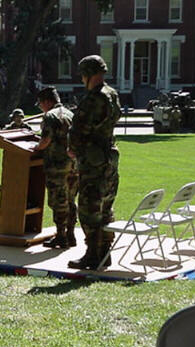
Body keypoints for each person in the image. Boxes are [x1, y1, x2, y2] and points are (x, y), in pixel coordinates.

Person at [67, 55, 121, 270]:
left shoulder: (93, 99)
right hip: (109, 157)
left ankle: (93, 255)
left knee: (89, 208)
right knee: (106, 207)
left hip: (93, 160)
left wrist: (73, 149)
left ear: (88, 74)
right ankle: (105, 252)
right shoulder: (112, 94)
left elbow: (80, 129)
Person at [34, 87, 78, 248]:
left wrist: (37, 148)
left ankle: (61, 236)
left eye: (40, 104)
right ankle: (71, 235)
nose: (40, 107)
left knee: (58, 202)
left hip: (57, 166)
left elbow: (45, 140)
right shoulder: (70, 114)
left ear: (47, 101)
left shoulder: (50, 116)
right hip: (74, 165)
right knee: (71, 200)